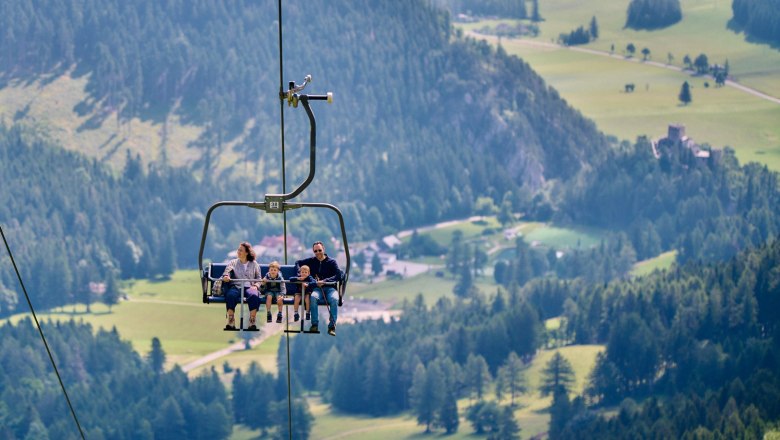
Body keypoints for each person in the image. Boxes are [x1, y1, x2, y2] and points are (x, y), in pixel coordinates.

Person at [295, 241, 341, 336]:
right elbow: (298, 263)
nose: (318, 253)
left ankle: (332, 326)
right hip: (317, 288)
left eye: (319, 250)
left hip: (330, 288)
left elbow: (338, 275)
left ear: (323, 249)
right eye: (315, 251)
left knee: (334, 299)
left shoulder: (332, 262)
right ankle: (314, 324)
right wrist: (300, 274)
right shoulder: (311, 261)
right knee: (313, 298)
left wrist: (325, 281)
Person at [222, 242, 262, 330]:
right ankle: (231, 320)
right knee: (231, 295)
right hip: (237, 286)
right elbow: (227, 272)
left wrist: (256, 285)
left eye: (241, 250)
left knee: (254, 295)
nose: (238, 252)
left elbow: (259, 278)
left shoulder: (254, 264)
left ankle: (252, 321)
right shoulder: (233, 262)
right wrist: (226, 276)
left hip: (250, 286)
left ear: (246, 253)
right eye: (238, 250)